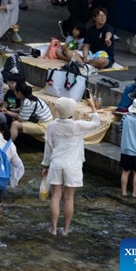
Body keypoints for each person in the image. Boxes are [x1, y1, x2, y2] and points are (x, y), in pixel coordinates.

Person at [42, 96, 99, 236]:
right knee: (69, 198)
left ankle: (54, 229)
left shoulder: (51, 126)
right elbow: (96, 122)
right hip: (73, 165)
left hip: (56, 163)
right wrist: (92, 106)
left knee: (55, 196)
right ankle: (66, 230)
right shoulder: (77, 125)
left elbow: (48, 148)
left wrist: (45, 165)